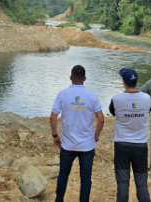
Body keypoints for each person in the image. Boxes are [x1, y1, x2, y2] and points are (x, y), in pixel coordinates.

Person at [50, 65, 105, 202]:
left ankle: (59, 199)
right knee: (86, 177)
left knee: (63, 174)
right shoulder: (92, 96)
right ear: (85, 78)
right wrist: (96, 135)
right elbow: (101, 119)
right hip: (87, 145)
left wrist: (55, 136)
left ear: (70, 77)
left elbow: (52, 117)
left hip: (68, 144)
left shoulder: (62, 94)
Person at [109, 68, 151, 202]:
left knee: (123, 181)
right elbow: (149, 110)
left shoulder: (116, 99)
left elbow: (113, 112)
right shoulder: (147, 98)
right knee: (141, 182)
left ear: (123, 82)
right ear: (137, 81)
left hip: (122, 144)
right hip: (140, 145)